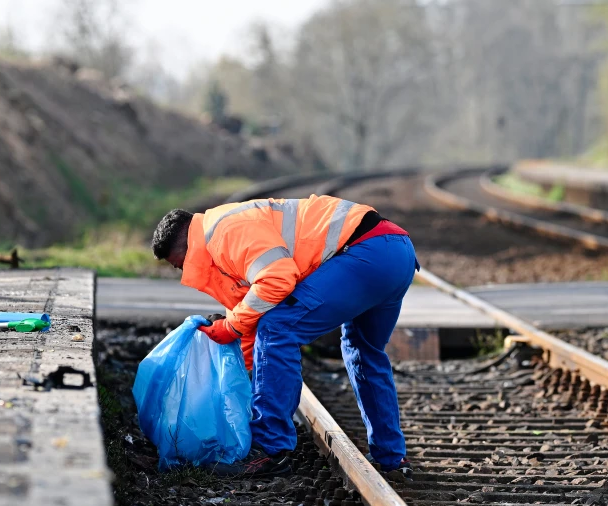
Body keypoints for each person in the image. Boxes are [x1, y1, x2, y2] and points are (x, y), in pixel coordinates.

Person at [151, 196, 418, 478]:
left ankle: (270, 450)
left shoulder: (223, 233)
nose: (184, 272)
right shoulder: (224, 227)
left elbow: (276, 279)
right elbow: (256, 312)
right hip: (396, 251)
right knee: (363, 351)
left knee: (279, 328)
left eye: (180, 266)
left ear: (185, 248)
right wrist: (242, 375)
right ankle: (391, 456)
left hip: (365, 254)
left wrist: (230, 327)